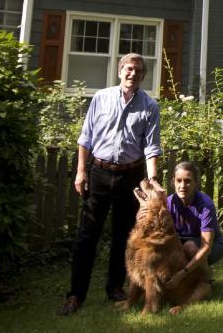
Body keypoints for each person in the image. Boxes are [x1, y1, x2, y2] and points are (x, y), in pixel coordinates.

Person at [60, 53, 161, 316]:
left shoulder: (150, 106)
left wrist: (151, 181)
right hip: (100, 174)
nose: (133, 74)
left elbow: (151, 147)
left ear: (143, 76)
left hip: (130, 176)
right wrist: (81, 172)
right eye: (129, 69)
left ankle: (115, 287)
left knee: (122, 237)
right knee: (86, 236)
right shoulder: (100, 98)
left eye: (138, 71)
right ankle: (75, 295)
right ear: (120, 71)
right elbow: (85, 139)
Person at [162, 161, 223, 288]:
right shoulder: (168, 203)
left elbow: (206, 246)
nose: (182, 186)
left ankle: (205, 281)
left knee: (190, 246)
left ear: (196, 183)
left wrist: (181, 274)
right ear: (173, 181)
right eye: (179, 181)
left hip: (212, 245)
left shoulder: (205, 205)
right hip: (182, 241)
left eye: (188, 181)